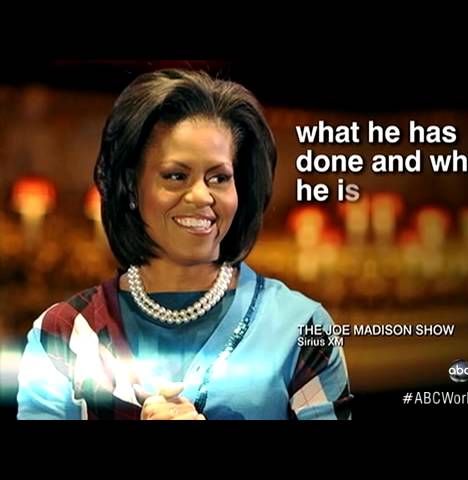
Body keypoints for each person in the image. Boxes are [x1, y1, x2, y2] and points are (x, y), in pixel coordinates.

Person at [16, 68, 352, 420]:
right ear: (130, 187)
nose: (201, 196)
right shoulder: (62, 333)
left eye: (219, 178)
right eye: (176, 176)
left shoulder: (302, 329)